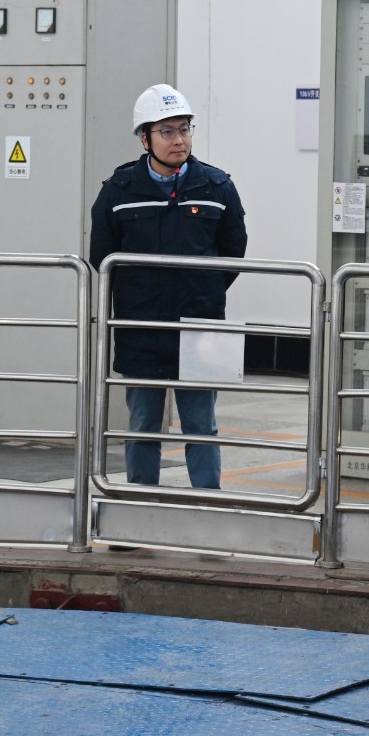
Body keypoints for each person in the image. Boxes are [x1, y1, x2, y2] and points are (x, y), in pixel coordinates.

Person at [90, 84, 247, 489]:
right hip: (141, 328)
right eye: (167, 131)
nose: (179, 140)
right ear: (145, 139)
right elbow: (102, 257)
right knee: (143, 424)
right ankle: (140, 504)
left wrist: (203, 291)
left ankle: (207, 503)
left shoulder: (217, 188)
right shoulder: (118, 191)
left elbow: (233, 253)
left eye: (184, 129)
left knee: (201, 424)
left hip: (200, 326)